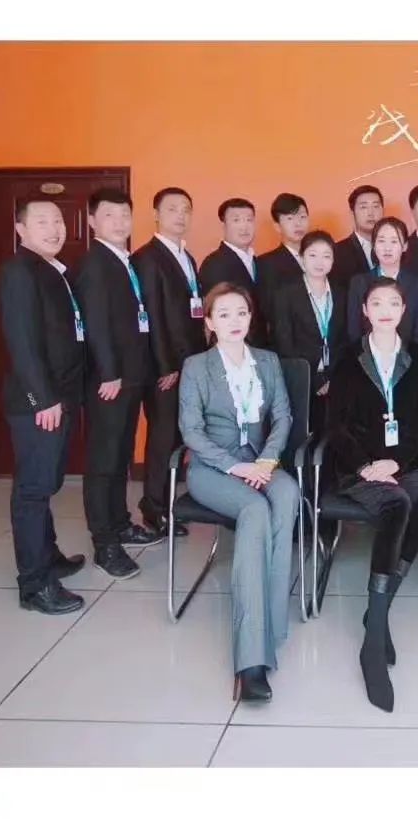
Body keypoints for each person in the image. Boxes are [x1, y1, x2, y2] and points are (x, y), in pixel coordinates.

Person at [178, 284, 299, 703]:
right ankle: (250, 661)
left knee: (288, 494)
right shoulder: (196, 366)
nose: (234, 321)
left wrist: (266, 460)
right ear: (210, 322)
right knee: (255, 511)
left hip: (260, 462)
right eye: (224, 314)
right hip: (213, 469)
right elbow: (191, 432)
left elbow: (282, 416)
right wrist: (236, 467)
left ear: (251, 318)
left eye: (241, 313)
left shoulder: (267, 361)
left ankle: (271, 624)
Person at [328, 277, 418, 713]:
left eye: (394, 302)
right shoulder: (347, 357)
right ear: (365, 311)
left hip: (406, 461)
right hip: (358, 465)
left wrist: (395, 462)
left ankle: (377, 612)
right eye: (377, 303)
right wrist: (366, 466)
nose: (385, 310)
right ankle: (374, 640)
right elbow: (336, 425)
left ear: (403, 309)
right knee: (396, 506)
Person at [0, 198, 87, 614]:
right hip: (39, 403)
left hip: (59, 398)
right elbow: (22, 341)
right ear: (21, 229)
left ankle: (48, 556)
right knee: (33, 490)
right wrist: (43, 398)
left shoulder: (51, 270)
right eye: (42, 222)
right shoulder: (19, 272)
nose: (54, 229)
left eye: (58, 221)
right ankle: (35, 585)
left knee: (46, 483)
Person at [73, 188, 161, 582]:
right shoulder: (95, 263)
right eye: (110, 215)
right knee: (104, 461)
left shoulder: (121, 260)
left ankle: (121, 523)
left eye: (125, 214)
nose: (120, 222)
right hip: (110, 381)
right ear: (92, 220)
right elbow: (95, 321)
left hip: (130, 375)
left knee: (121, 455)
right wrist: (109, 372)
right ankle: (105, 543)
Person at [132, 187, 206, 536]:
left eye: (186, 209)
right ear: (156, 214)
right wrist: (165, 367)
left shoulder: (186, 257)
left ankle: (167, 504)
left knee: (178, 436)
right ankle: (154, 508)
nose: (180, 215)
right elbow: (151, 315)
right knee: (162, 438)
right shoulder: (147, 258)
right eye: (172, 209)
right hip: (167, 368)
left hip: (189, 363)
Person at [270, 230, 347, 435]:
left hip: (336, 380)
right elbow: (284, 343)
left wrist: (333, 377)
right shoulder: (285, 294)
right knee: (305, 437)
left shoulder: (342, 293)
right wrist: (314, 379)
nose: (319, 262)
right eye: (313, 255)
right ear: (302, 258)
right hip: (302, 380)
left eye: (326, 255)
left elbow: (345, 340)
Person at [346, 217, 418, 344]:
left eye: (394, 241)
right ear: (373, 245)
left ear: (405, 246)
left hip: (409, 353)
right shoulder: (359, 283)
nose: (387, 248)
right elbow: (354, 331)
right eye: (381, 241)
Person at [198, 197, 265, 345]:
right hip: (231, 347)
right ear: (224, 225)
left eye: (249, 220)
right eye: (236, 220)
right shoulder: (214, 264)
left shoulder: (258, 262)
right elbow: (216, 313)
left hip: (261, 348)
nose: (244, 226)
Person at [255, 192, 309, 337]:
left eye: (302, 217)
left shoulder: (321, 257)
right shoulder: (266, 264)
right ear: (277, 226)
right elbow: (269, 310)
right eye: (290, 218)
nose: (298, 224)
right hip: (288, 339)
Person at [332, 185, 382, 288]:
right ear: (352, 213)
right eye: (364, 207)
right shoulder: (337, 252)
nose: (371, 213)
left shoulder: (396, 247)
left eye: (376, 206)